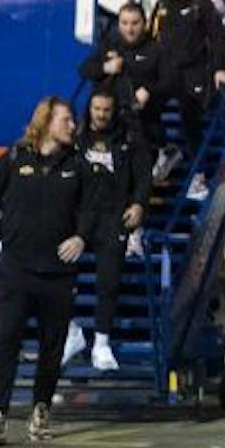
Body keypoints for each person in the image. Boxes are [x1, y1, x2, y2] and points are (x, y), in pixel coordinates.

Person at [0, 96, 106, 445]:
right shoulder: (13, 160)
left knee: (52, 346)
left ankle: (41, 409)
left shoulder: (79, 166)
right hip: (15, 270)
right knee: (8, 340)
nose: (73, 126)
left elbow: (93, 210)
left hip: (58, 274)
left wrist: (81, 236)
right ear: (46, 122)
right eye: (66, 120)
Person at [62, 88, 151, 374]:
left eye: (106, 110)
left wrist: (138, 204)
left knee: (108, 282)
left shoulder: (127, 139)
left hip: (113, 218)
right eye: (96, 109)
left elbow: (144, 175)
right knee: (60, 277)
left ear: (113, 111)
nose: (100, 115)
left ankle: (101, 342)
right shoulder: (77, 140)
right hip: (79, 221)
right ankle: (71, 332)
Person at [150, 0, 225, 191]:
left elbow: (219, 37)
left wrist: (220, 69)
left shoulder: (202, 4)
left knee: (191, 123)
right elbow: (152, 39)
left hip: (195, 73)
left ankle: (199, 176)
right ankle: (167, 150)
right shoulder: (161, 5)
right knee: (146, 105)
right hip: (168, 72)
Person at [79, 2, 165, 140]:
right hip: (110, 122)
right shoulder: (109, 45)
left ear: (144, 23)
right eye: (124, 23)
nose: (129, 29)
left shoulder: (155, 49)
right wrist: (105, 67)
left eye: (134, 23)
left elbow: (171, 81)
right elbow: (84, 70)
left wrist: (149, 90)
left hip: (145, 124)